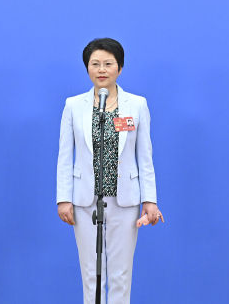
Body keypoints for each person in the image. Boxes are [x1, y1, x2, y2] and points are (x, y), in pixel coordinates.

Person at [56, 38, 163, 304]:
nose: (101, 70)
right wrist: (63, 198)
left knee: (120, 274)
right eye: (95, 64)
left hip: (125, 201)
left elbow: (145, 157)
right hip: (85, 202)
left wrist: (150, 200)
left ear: (120, 68)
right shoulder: (73, 105)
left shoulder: (137, 105)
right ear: (87, 68)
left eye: (108, 64)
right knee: (90, 274)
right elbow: (65, 156)